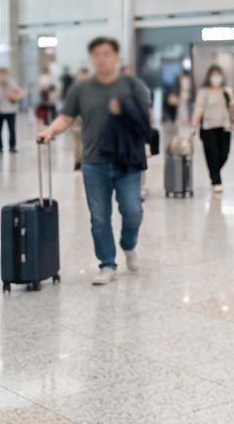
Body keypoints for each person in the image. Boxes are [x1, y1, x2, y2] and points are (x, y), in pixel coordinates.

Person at [36, 37, 152, 285]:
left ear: (117, 57)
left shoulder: (133, 85)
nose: (102, 58)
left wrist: (125, 111)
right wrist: (50, 131)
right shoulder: (81, 89)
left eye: (107, 53)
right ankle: (107, 263)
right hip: (93, 162)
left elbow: (146, 120)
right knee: (99, 217)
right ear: (91, 58)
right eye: (97, 54)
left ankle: (128, 244)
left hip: (127, 162)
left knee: (133, 210)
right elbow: (66, 118)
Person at [192, 65, 234, 193]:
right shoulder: (204, 92)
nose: (216, 77)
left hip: (225, 127)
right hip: (208, 128)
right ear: (209, 77)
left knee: (224, 155)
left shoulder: (227, 91)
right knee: (213, 155)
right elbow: (199, 109)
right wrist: (193, 126)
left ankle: (214, 172)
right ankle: (216, 180)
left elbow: (232, 108)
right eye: (213, 74)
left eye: (218, 74)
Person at [70, 68, 90, 171]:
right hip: (78, 120)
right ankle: (78, 163)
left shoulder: (92, 90)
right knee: (77, 142)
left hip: (89, 123)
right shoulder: (74, 91)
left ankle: (86, 161)